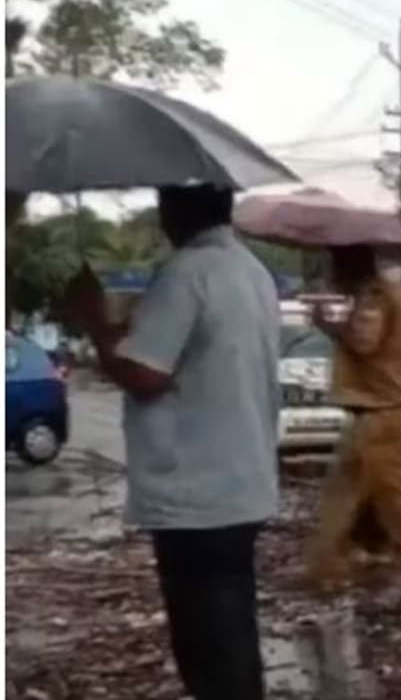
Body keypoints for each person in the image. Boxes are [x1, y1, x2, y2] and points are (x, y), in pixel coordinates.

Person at [61, 184, 279, 700]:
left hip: (194, 491)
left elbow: (145, 375)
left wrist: (94, 322)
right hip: (242, 481)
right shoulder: (253, 272)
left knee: (208, 646)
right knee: (233, 633)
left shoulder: (186, 273)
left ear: (175, 209)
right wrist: (119, 324)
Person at [304, 244, 401, 590]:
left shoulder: (373, 297)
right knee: (381, 496)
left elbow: (364, 343)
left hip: (382, 410)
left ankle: (325, 569)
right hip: (398, 405)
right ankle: (326, 567)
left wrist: (328, 325)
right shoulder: (399, 294)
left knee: (363, 496)